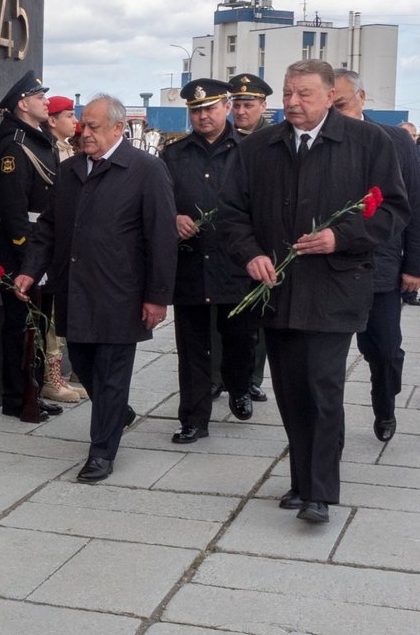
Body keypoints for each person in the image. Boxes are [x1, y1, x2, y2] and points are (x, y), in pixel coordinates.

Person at [217, 60, 404, 523]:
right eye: (287, 93)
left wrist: (342, 238)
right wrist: (250, 254)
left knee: (322, 386)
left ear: (329, 95)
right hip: (276, 288)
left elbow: (394, 211)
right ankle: (301, 481)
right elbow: (231, 212)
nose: (293, 103)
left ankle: (320, 492)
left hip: (335, 287)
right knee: (290, 389)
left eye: (303, 94)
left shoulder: (368, 143)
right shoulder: (261, 146)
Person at [15, 95, 176, 483]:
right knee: (84, 364)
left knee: (111, 373)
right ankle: (116, 411)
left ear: (119, 129)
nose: (84, 133)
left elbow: (162, 238)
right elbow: (49, 228)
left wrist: (157, 296)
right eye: (83, 125)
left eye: (94, 127)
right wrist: (30, 271)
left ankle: (101, 453)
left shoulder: (147, 170)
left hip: (122, 294)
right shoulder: (69, 171)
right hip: (76, 290)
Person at [331, 70, 420, 441]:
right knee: (326, 361)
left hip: (380, 266)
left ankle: (385, 407)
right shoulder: (316, 140)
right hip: (329, 269)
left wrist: (416, 265)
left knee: (385, 350)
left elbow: (417, 204)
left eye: (341, 104)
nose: (336, 113)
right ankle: (328, 429)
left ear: (362, 97)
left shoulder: (393, 141)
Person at [163, 78, 257, 443]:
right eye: (196, 110)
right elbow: (159, 197)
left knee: (238, 339)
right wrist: (173, 217)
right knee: (191, 348)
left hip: (235, 262)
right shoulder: (174, 154)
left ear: (227, 108)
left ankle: (239, 385)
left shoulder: (249, 150)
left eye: (209, 109)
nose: (202, 116)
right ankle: (194, 418)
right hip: (190, 264)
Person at [0, 70, 61, 420]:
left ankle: (34, 388)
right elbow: (15, 212)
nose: (46, 101)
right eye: (39, 96)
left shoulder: (39, 140)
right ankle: (17, 397)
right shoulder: (13, 147)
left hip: (41, 248)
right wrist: (29, 260)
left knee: (39, 324)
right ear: (23, 103)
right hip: (22, 252)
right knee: (20, 328)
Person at [220, 71, 275, 404]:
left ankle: (253, 377)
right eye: (237, 104)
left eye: (248, 105)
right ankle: (222, 377)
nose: (241, 111)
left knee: (261, 316)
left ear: (263, 106)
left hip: (264, 240)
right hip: (230, 238)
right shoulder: (224, 136)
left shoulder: (273, 139)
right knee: (226, 320)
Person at [36, 95, 87, 405]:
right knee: (53, 314)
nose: (75, 121)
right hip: (53, 240)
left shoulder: (69, 149)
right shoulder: (49, 150)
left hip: (71, 241)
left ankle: (72, 372)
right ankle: (51, 377)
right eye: (68, 115)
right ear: (52, 120)